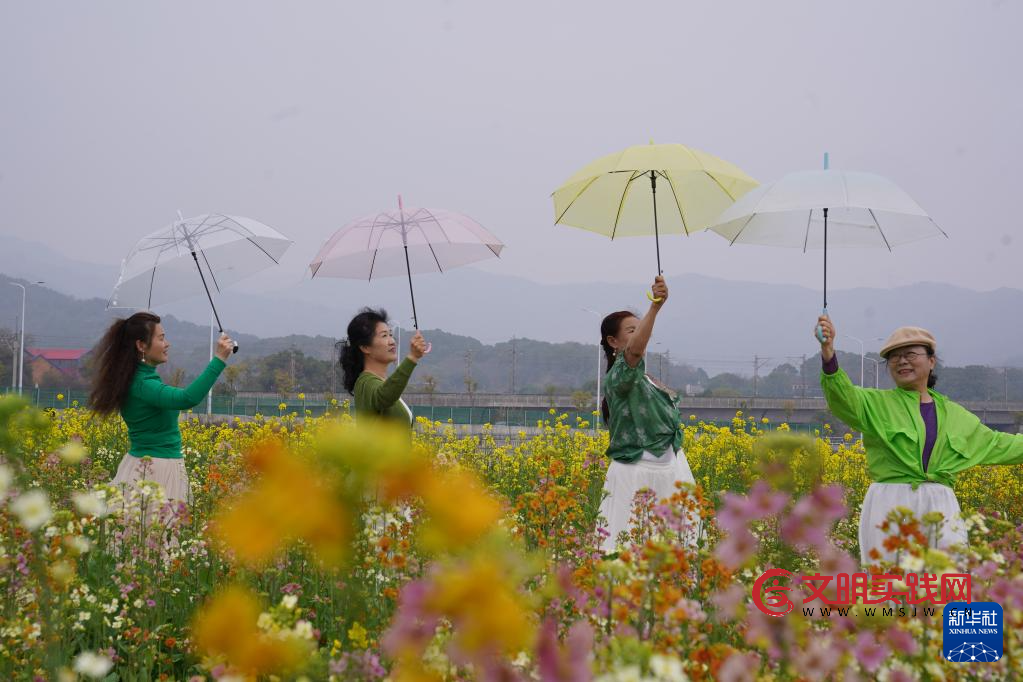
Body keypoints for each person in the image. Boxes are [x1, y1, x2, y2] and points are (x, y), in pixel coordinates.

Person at [817, 315, 1023, 565]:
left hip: (941, 505)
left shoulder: (957, 415)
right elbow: (842, 396)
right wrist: (829, 355)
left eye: (910, 354)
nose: (902, 361)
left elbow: (1000, 444)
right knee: (891, 579)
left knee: (948, 576)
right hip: (890, 503)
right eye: (894, 357)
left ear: (931, 361)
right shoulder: (875, 403)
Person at [90, 312, 233, 503]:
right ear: (141, 345)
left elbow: (177, 397)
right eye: (161, 338)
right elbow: (187, 398)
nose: (167, 344)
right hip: (157, 471)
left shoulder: (138, 380)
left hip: (142, 466)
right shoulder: (143, 384)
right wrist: (219, 359)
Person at [597, 276, 696, 554]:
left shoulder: (645, 379)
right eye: (632, 330)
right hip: (635, 474)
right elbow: (635, 351)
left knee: (678, 549)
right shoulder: (620, 376)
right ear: (613, 341)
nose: (640, 333)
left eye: (640, 328)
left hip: (671, 470)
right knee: (628, 546)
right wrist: (655, 306)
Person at [340, 308, 428, 429]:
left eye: (390, 335)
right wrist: (412, 357)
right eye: (384, 335)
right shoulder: (365, 383)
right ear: (365, 347)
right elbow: (384, 396)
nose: (392, 341)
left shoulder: (380, 383)